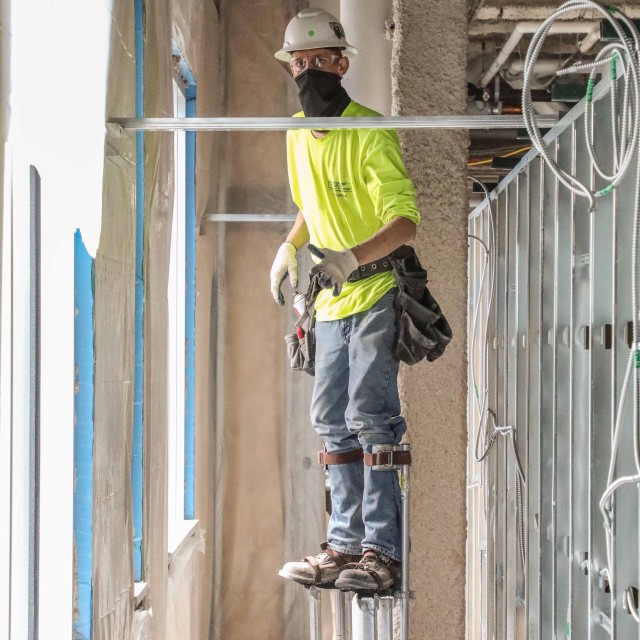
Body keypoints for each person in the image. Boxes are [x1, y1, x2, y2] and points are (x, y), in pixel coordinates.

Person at [270, 8, 421, 592]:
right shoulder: (293, 133)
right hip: (328, 303)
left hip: (375, 288)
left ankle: (381, 552)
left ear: (342, 63)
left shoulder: (368, 129)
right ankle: (343, 546)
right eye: (299, 63)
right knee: (331, 422)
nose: (309, 71)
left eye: (319, 61)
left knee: (370, 417)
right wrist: (289, 247)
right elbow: (311, 203)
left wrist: (351, 258)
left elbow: (404, 220)